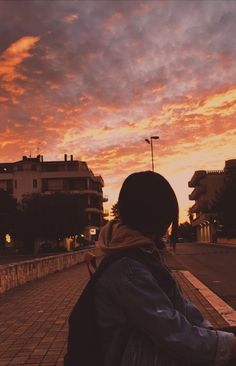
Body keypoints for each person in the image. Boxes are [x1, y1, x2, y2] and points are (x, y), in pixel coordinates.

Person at [94, 171, 236, 366]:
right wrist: (227, 347)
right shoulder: (128, 268)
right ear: (155, 218)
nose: (167, 229)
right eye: (167, 220)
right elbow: (173, 334)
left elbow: (180, 307)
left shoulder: (140, 255)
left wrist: (213, 334)